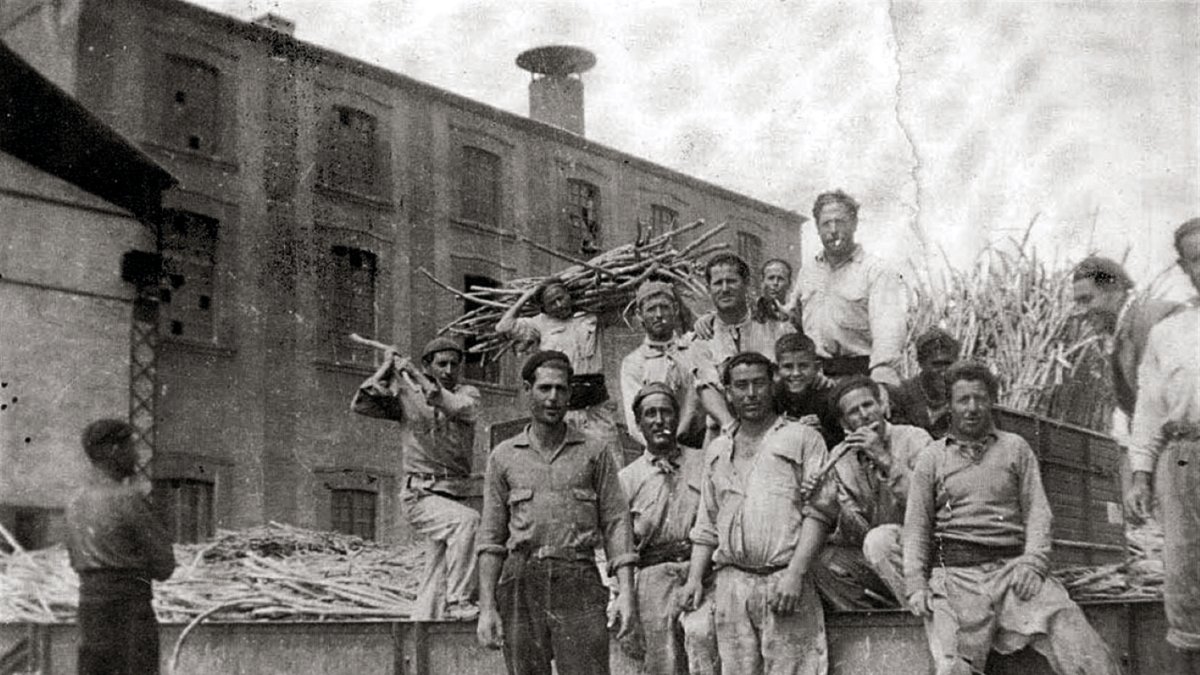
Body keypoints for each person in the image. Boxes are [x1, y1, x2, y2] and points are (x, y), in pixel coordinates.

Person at [903, 361, 1121, 675]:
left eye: (980, 398)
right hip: (956, 578)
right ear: (949, 405)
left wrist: (1033, 563)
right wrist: (915, 584)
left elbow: (1037, 513)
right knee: (954, 665)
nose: (973, 407)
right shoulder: (932, 458)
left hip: (1012, 571)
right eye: (963, 400)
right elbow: (916, 527)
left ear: (991, 400)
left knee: (1072, 629)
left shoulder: (1016, 448)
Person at [476, 351, 638, 675]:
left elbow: (616, 522)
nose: (553, 398)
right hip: (522, 580)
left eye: (561, 390)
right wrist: (487, 608)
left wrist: (626, 593)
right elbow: (491, 538)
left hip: (578, 578)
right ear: (527, 390)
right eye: (545, 388)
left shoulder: (594, 451)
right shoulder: (504, 457)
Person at [680, 352, 838, 674]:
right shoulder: (717, 450)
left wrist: (795, 573)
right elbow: (707, 523)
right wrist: (695, 578)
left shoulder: (803, 438)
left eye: (759, 384)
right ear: (728, 392)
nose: (750, 394)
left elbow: (821, 512)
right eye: (741, 386)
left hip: (785, 584)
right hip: (732, 585)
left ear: (772, 385)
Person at [351, 337, 480, 620]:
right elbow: (363, 404)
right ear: (429, 365)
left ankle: (423, 629)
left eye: (454, 364)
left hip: (454, 493)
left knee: (437, 573)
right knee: (467, 522)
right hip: (420, 495)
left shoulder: (468, 394)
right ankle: (459, 602)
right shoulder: (406, 395)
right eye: (441, 364)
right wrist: (387, 366)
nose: (448, 370)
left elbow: (456, 407)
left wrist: (417, 375)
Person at [1072, 255, 1182, 554]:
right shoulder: (1121, 337)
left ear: (1115, 289)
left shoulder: (1154, 319)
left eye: (1087, 300)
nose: (1081, 312)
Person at [1127, 217, 1200, 669]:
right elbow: (1149, 411)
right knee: (1186, 572)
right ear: (1185, 267)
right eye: (1198, 259)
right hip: (1185, 460)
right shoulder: (1169, 333)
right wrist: (1140, 475)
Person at [618, 383, 719, 675]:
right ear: (639, 424)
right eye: (650, 414)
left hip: (702, 572)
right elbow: (616, 539)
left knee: (705, 645)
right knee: (662, 663)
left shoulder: (703, 461)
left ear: (677, 418)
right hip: (653, 577)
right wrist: (618, 594)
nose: (659, 420)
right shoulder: (628, 478)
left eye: (666, 412)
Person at [809, 376, 933, 611]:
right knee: (820, 561)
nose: (864, 415)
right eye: (854, 412)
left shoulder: (915, 438)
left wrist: (885, 460)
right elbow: (858, 533)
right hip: (881, 553)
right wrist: (830, 505)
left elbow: (928, 506)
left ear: (882, 406)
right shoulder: (841, 457)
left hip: (925, 548)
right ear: (845, 423)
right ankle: (878, 621)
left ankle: (923, 615)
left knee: (880, 540)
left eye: (868, 405)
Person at [66, 419, 176, 675]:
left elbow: (74, 559)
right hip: (129, 615)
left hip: (90, 613)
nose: (137, 456)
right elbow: (164, 566)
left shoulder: (74, 502)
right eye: (131, 447)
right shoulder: (128, 499)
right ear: (115, 450)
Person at [784, 190, 908, 386]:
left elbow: (888, 331)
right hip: (814, 378)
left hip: (858, 376)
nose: (833, 230)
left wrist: (881, 375)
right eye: (826, 223)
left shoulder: (876, 271)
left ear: (854, 224)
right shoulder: (808, 271)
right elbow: (794, 318)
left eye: (840, 222)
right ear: (817, 228)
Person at [496, 279, 620, 463]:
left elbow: (620, 309)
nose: (559, 304)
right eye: (552, 303)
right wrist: (526, 297)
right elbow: (503, 327)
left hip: (596, 407)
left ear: (569, 295)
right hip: (565, 410)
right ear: (544, 308)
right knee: (567, 465)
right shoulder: (539, 324)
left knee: (611, 461)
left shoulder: (590, 315)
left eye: (561, 298)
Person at [621, 280, 734, 448]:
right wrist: (660, 450)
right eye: (651, 309)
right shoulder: (634, 362)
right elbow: (634, 421)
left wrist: (710, 317)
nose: (659, 315)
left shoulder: (695, 346)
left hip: (705, 446)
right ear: (639, 315)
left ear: (675, 309)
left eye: (664, 307)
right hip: (661, 451)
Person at [773, 332, 843, 449]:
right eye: (788, 367)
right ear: (777, 369)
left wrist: (820, 432)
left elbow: (840, 440)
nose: (796, 373)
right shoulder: (772, 397)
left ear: (816, 368)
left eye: (803, 366)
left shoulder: (830, 399)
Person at [890, 328, 961, 439]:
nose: (943, 371)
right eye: (937, 364)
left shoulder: (964, 391)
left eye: (948, 364)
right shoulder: (903, 394)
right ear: (921, 363)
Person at [754, 259, 793, 323]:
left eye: (781, 279)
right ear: (762, 282)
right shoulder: (752, 312)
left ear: (789, 284)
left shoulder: (795, 315)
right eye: (771, 278)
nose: (775, 283)